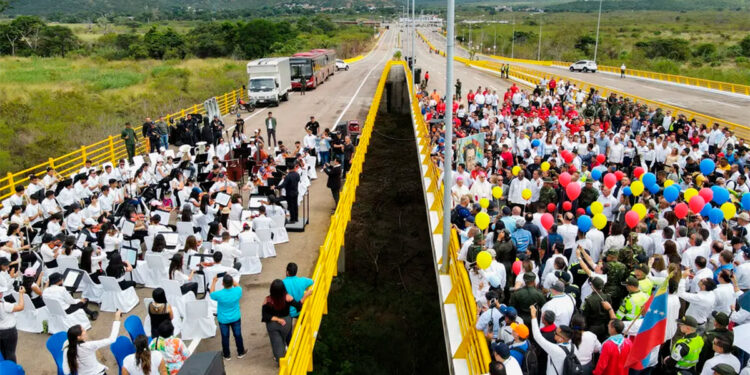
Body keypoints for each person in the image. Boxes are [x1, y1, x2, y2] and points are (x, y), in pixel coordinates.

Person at [262, 279, 309, 363]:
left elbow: (265, 316)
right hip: (286, 323)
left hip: (272, 325)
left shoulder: (267, 300)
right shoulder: (287, 297)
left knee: (276, 342)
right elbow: (298, 306)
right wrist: (306, 295)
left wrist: (277, 319)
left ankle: (279, 359)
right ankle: (284, 350)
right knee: (282, 339)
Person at [63, 311, 122, 375]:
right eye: (83, 330)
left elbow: (66, 371)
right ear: (79, 337)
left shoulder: (66, 349)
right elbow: (112, 339)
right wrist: (117, 318)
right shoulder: (88, 346)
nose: (85, 331)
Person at [529, 305, 575, 375]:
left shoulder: (556, 350)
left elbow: (537, 336)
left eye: (556, 333)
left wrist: (533, 316)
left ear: (561, 339)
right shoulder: (573, 347)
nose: (554, 332)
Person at [210, 274, 247, 360]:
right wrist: (232, 279)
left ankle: (227, 355)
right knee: (238, 335)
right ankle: (240, 352)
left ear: (222, 284)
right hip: (235, 317)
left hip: (223, 319)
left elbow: (211, 293)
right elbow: (237, 285)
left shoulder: (219, 294)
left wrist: (214, 282)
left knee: (225, 337)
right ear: (232, 282)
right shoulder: (238, 291)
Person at [0, 285, 25, 363]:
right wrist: (21, 294)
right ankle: (12, 370)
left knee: (2, 352)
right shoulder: (4, 305)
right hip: (9, 331)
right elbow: (21, 307)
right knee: (10, 353)